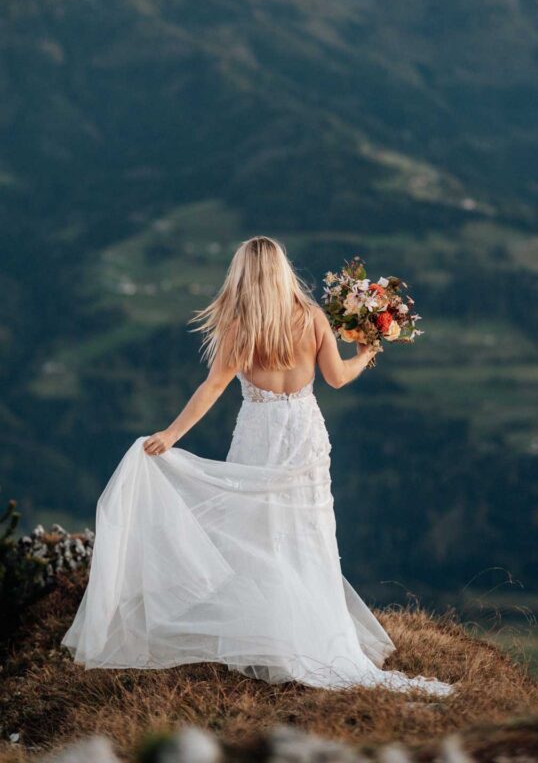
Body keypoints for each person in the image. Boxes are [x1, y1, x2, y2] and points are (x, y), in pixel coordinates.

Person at [61, 236, 454, 695]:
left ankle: (264, 632)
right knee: (309, 533)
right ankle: (315, 633)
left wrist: (170, 435)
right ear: (284, 271)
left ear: (244, 276)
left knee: (255, 532)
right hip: (305, 433)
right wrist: (367, 350)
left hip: (259, 432)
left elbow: (210, 389)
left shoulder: (240, 328)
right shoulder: (312, 318)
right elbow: (337, 379)